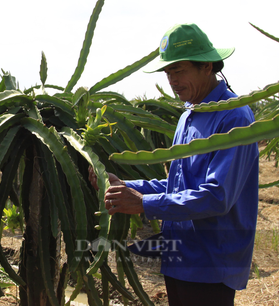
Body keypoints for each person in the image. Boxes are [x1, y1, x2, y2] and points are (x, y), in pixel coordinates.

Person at [89, 23, 259, 306]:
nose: (173, 80)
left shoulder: (233, 118)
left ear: (207, 66)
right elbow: (179, 184)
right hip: (180, 254)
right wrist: (125, 187)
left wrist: (144, 203)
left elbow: (217, 197)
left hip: (210, 262)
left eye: (179, 71)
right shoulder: (189, 115)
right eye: (168, 73)